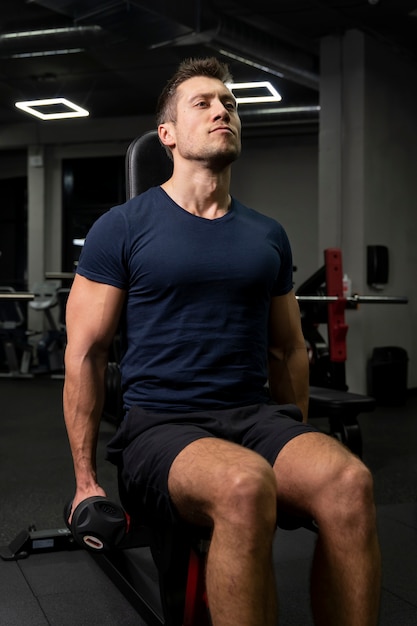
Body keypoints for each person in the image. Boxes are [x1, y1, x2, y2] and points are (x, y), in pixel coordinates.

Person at [63, 57, 381, 626]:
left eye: (229, 104)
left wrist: (294, 441)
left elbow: (287, 349)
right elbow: (86, 354)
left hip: (254, 417)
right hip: (158, 427)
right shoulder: (123, 226)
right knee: (243, 483)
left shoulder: (267, 234)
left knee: (348, 481)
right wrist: (85, 483)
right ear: (167, 135)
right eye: (202, 103)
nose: (221, 111)